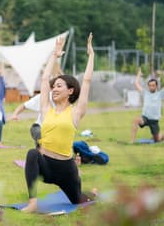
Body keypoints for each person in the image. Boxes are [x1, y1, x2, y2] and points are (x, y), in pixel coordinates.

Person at [22, 33, 95, 212]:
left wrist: (91, 55)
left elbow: (86, 81)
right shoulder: (46, 108)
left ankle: (92, 193)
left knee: (79, 201)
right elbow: (45, 79)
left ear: (70, 91)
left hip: (66, 169)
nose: (54, 89)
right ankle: (32, 203)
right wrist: (54, 56)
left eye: (59, 86)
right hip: (45, 164)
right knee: (32, 153)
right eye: (54, 87)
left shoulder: (76, 112)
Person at [131, 66, 164, 143]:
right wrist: (139, 74)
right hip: (145, 118)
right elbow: (136, 83)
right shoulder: (145, 93)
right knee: (136, 120)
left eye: (153, 85)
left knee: (157, 140)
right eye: (150, 85)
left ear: (156, 86)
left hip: (154, 121)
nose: (151, 87)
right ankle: (132, 142)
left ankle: (161, 136)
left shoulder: (160, 93)